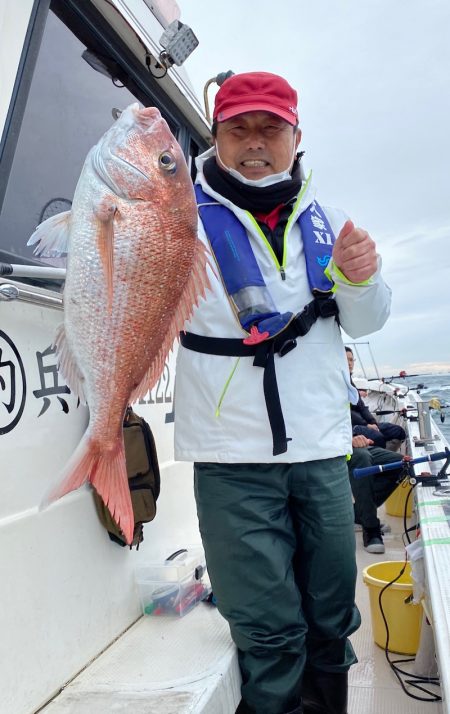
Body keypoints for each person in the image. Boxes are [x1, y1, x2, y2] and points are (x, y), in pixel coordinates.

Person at [174, 72, 392, 714]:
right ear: (216, 137)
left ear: (297, 137)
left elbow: (369, 320)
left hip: (322, 453)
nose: (254, 143)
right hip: (231, 459)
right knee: (268, 630)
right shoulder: (179, 216)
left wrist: (361, 278)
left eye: (271, 128)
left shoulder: (329, 219)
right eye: (237, 128)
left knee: (331, 619)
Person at [348, 434, 405, 553]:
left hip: (350, 445)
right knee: (361, 458)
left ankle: (358, 515)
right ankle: (370, 528)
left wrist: (358, 437)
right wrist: (347, 441)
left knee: (402, 463)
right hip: (332, 451)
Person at [345, 347, 406, 449]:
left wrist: (373, 423)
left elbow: (362, 407)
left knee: (398, 431)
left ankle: (387, 456)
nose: (349, 363)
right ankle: (380, 460)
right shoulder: (336, 383)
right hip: (350, 427)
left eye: (351, 360)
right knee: (378, 437)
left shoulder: (349, 381)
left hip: (363, 423)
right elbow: (345, 411)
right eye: (345, 359)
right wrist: (367, 425)